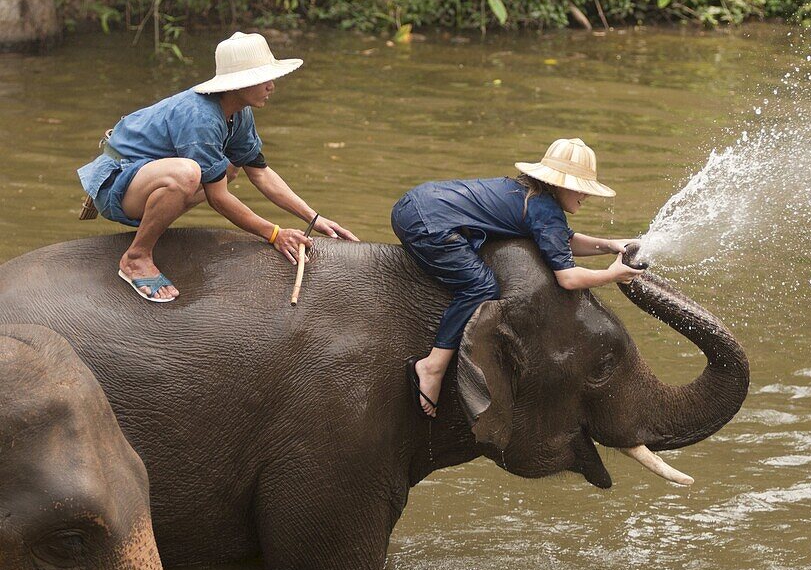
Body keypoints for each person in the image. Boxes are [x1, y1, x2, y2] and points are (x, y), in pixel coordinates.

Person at [77, 32, 359, 302]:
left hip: (147, 177)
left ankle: (158, 219)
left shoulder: (240, 113)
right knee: (188, 175)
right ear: (237, 84)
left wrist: (313, 218)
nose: (271, 85)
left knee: (228, 168)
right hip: (118, 183)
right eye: (263, 79)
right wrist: (274, 234)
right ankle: (136, 257)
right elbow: (218, 198)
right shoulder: (202, 118)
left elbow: (259, 171)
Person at [391, 137, 644, 418]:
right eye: (579, 189)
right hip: (429, 227)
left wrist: (608, 245)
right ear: (558, 185)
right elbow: (568, 279)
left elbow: (561, 239)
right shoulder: (545, 210)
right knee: (480, 287)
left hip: (412, 204)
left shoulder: (527, 192)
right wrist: (611, 275)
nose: (585, 197)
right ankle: (432, 367)